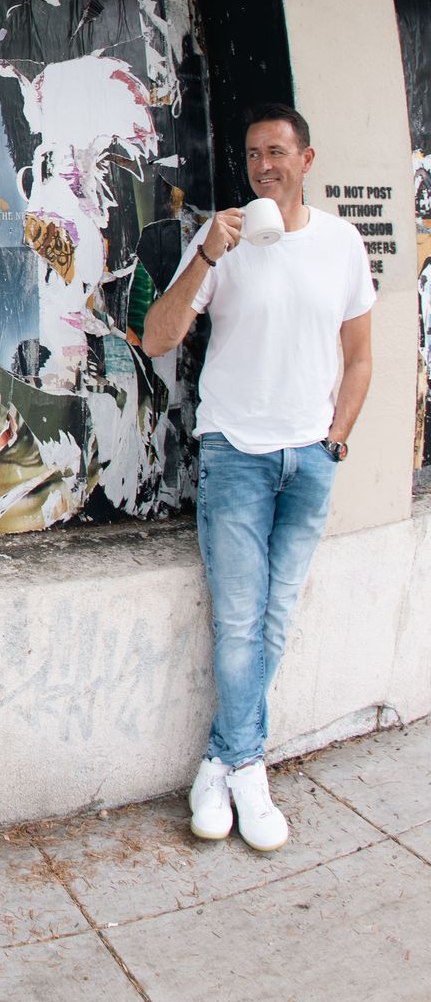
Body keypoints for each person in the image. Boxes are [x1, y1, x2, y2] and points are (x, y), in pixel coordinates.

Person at [142, 103, 373, 851]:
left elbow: (360, 355)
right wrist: (207, 255)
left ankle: (219, 761)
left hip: (311, 459)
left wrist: (336, 439)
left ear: (307, 160)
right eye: (251, 155)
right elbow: (157, 337)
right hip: (237, 454)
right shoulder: (224, 239)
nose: (262, 166)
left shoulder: (341, 243)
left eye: (276, 151)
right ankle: (248, 768)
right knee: (241, 622)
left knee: (273, 620)